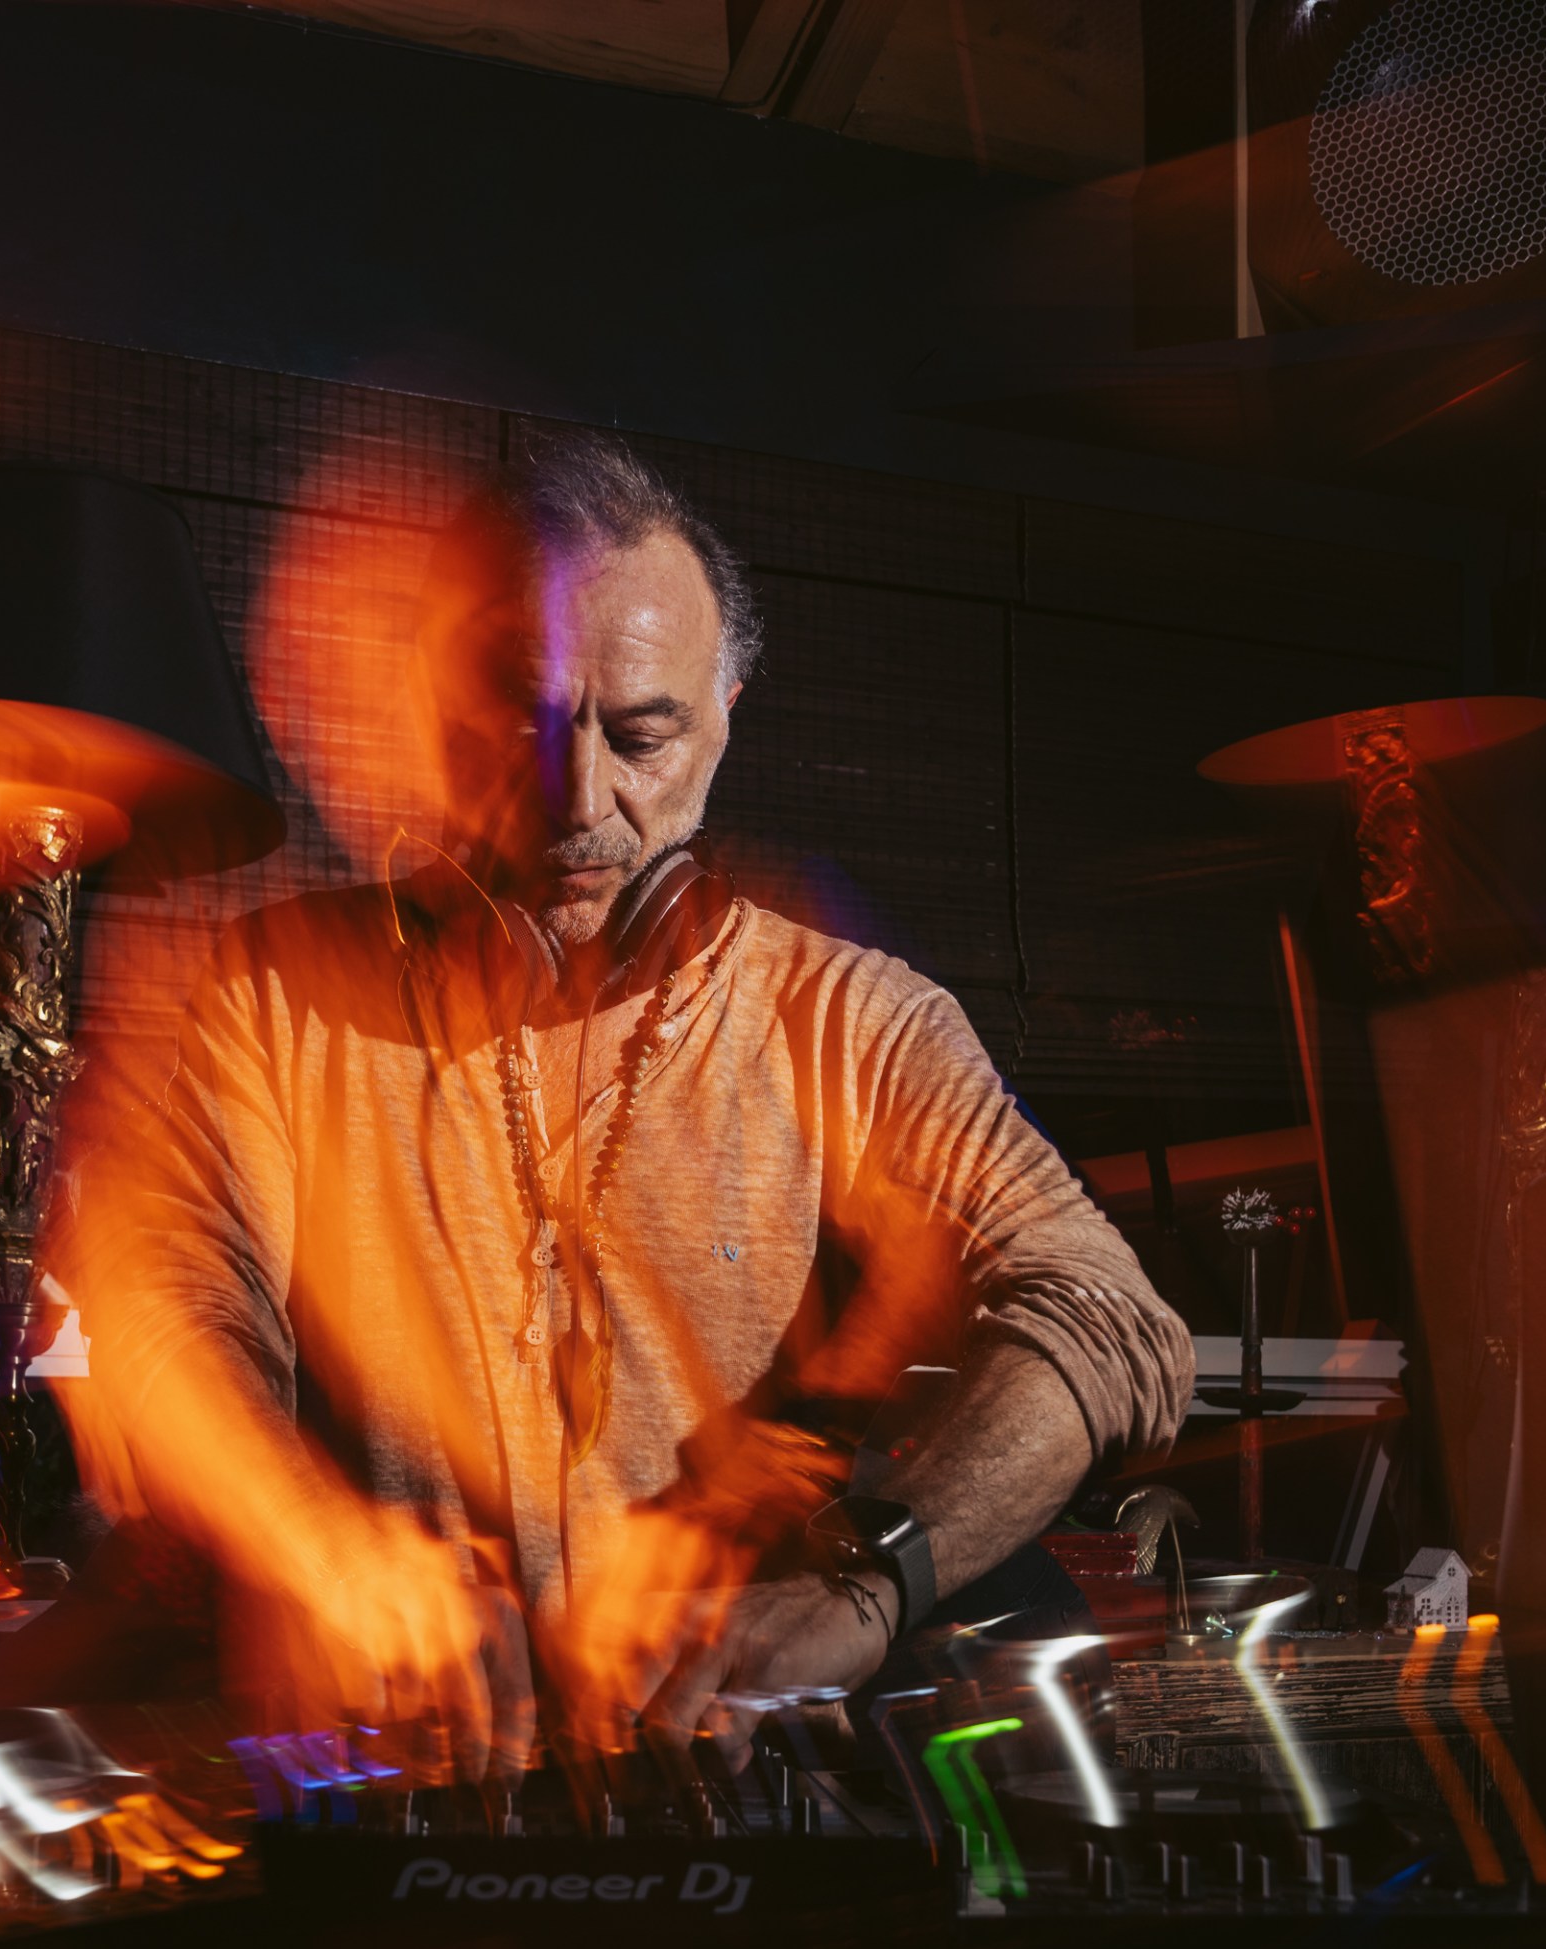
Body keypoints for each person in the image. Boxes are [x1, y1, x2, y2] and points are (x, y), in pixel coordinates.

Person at [62, 433, 1191, 1775]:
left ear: (725, 707)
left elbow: (1107, 1318)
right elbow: (158, 1306)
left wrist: (858, 1586)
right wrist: (318, 1546)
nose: (578, 799)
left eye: (641, 734)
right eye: (522, 725)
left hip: (717, 1790)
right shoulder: (271, 991)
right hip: (384, 1786)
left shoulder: (850, 1018)